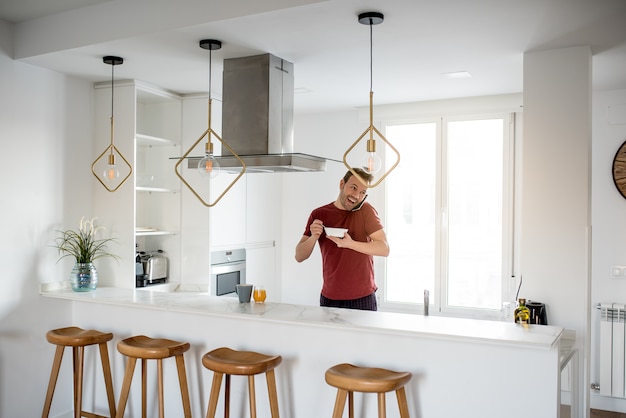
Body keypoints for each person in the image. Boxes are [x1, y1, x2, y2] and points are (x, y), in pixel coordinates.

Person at [295, 168, 389, 311]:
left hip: (362, 298)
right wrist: (314, 237)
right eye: (353, 188)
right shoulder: (319, 214)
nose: (357, 196)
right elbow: (299, 256)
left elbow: (384, 248)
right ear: (341, 184)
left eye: (363, 192)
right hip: (329, 298)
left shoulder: (366, 211)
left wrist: (350, 244)